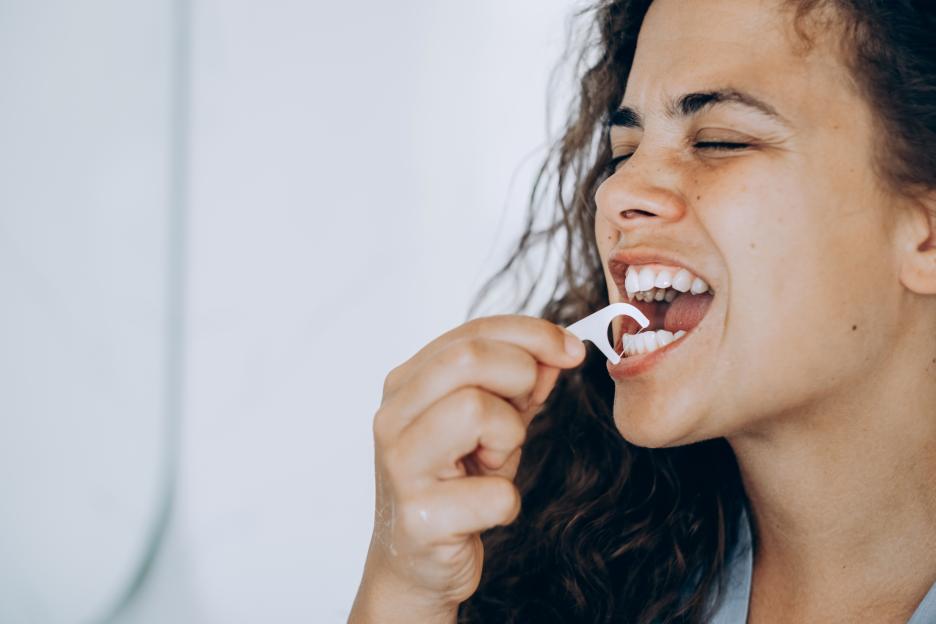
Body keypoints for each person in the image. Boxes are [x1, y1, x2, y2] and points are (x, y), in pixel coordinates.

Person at [349, 0, 936, 621]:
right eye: (624, 150)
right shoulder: (554, 564)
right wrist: (405, 593)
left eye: (719, 141)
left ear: (924, 235)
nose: (614, 191)